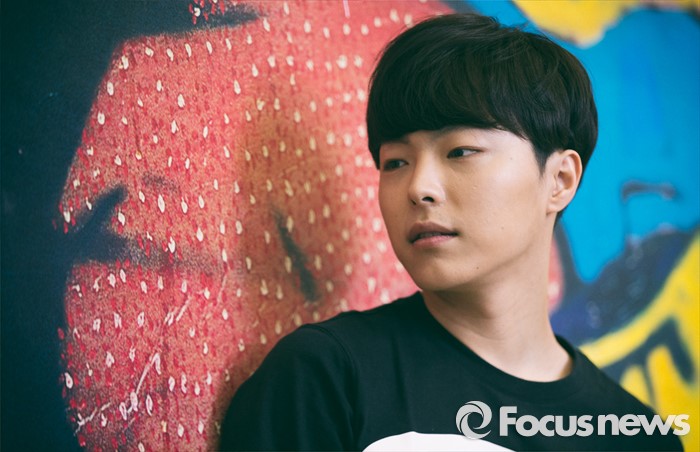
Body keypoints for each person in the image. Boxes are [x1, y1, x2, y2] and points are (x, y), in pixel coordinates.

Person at [219, 13, 684, 451]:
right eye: (395, 162)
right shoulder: (327, 380)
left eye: (460, 152)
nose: (418, 187)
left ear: (560, 180)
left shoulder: (636, 437)